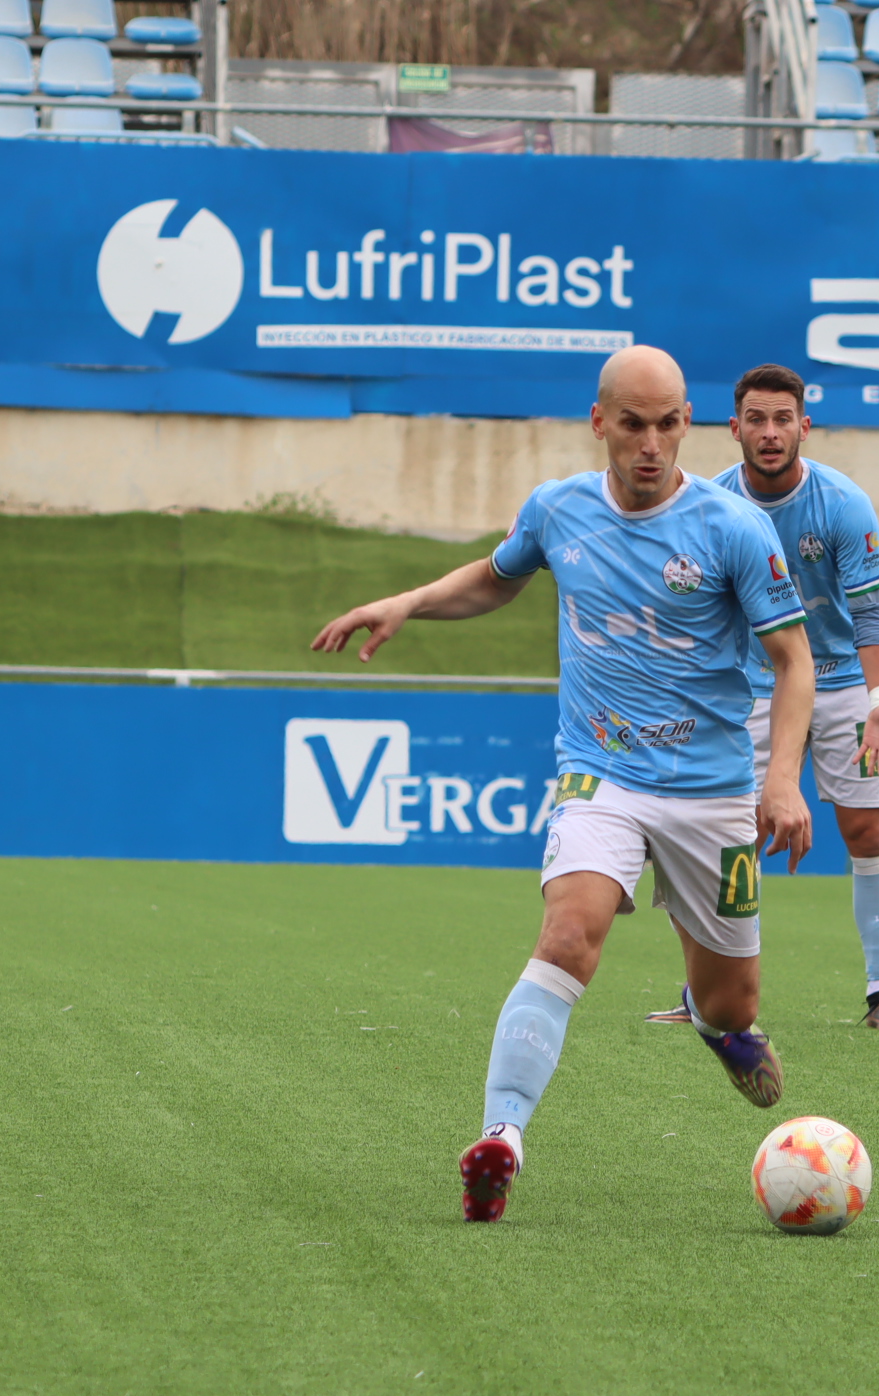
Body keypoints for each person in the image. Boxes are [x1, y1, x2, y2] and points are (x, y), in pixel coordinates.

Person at [310, 345, 817, 1223]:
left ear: (686, 424)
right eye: (632, 425)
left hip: (714, 792)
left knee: (734, 1001)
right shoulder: (557, 510)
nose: (651, 445)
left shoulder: (734, 530)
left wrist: (782, 780)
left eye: (667, 425)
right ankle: (501, 1138)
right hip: (601, 774)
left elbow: (793, 660)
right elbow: (495, 579)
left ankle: (715, 1022)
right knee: (569, 933)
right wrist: (407, 603)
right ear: (599, 423)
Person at [651, 362, 879, 1032]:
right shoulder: (708, 507)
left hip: (842, 683)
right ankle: (705, 997)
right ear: (734, 427)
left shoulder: (842, 503)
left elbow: (872, 614)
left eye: (783, 419)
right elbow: (692, 618)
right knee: (728, 835)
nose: (770, 433)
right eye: (756, 420)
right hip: (750, 684)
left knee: (868, 828)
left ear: (804, 425)